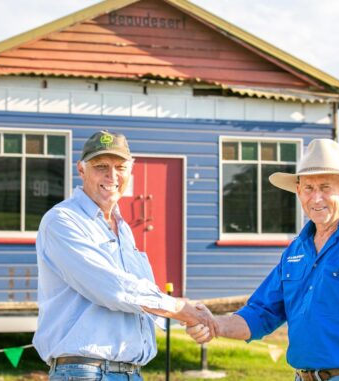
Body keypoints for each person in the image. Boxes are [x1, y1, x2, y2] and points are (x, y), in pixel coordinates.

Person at [187, 139, 339, 381]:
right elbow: (260, 313)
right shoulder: (296, 250)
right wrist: (214, 324)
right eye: (308, 188)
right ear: (298, 191)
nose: (316, 198)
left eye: (326, 187)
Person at [33, 130, 216, 381]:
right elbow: (111, 287)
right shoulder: (62, 220)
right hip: (86, 372)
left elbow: (136, 298)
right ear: (81, 169)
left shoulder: (123, 229)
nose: (112, 176)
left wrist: (188, 314)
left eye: (120, 167)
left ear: (131, 170)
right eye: (101, 166)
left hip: (128, 372)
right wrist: (179, 308)